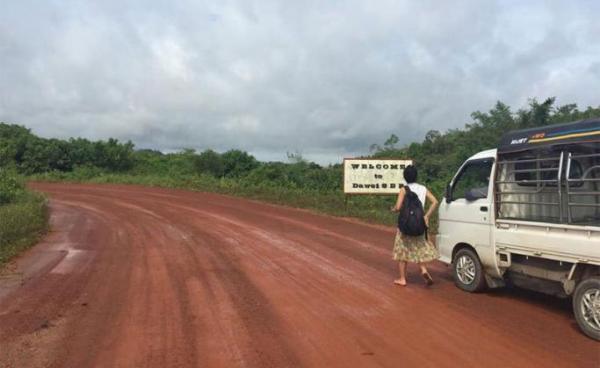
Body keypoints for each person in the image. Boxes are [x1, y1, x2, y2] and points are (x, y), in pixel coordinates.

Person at [390, 165, 439, 286]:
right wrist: (426, 216)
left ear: (405, 177)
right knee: (418, 248)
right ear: (416, 176)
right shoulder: (423, 188)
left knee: (402, 251)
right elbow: (435, 202)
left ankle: (402, 279)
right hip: (419, 223)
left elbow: (398, 207)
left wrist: (393, 209)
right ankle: (423, 269)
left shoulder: (403, 189)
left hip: (406, 224)